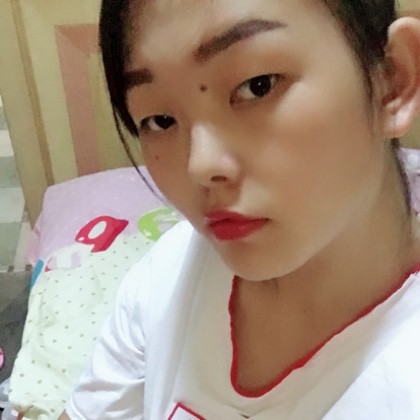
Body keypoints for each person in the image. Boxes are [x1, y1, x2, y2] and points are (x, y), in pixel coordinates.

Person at [60, 0, 420, 418]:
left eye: (257, 86)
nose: (200, 166)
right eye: (159, 120)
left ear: (393, 79)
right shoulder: (168, 276)